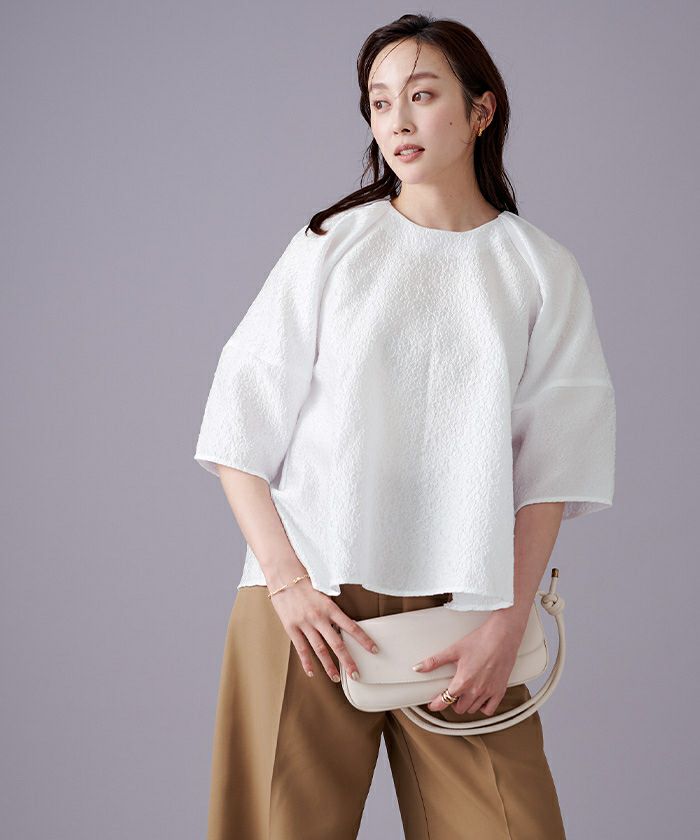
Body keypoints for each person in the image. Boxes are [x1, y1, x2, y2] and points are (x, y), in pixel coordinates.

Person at [193, 13, 615, 840]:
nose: (397, 120)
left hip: (465, 608)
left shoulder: (540, 269)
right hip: (310, 602)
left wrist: (508, 622)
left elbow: (554, 466)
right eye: (380, 102)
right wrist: (287, 585)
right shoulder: (330, 245)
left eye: (422, 96)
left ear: (481, 111)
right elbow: (237, 424)